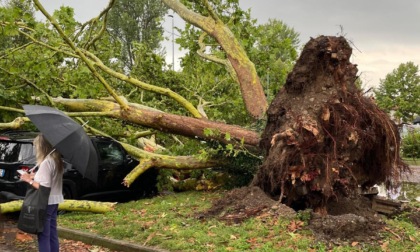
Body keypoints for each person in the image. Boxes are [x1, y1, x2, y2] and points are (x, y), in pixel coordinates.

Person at [20, 134, 64, 252]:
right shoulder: (56, 160)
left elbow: (44, 186)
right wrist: (33, 175)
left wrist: (28, 180)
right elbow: (49, 178)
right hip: (54, 201)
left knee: (43, 235)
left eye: (36, 145)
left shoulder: (46, 162)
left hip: (45, 202)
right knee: (52, 233)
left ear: (42, 146)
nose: (35, 148)